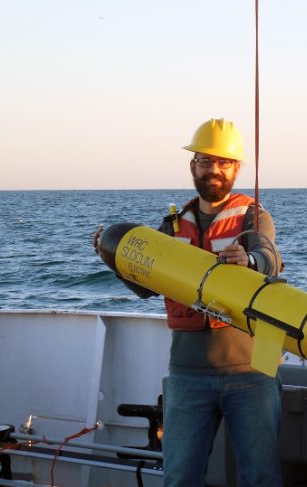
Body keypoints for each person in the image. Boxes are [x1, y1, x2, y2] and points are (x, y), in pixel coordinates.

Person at [95, 118, 283, 487]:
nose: (214, 169)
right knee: (179, 477)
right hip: (186, 375)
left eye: (223, 162)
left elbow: (270, 259)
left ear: (236, 168)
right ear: (192, 166)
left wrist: (249, 261)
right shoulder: (171, 226)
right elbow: (147, 286)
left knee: (260, 477)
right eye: (205, 160)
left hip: (252, 374)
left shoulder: (253, 216)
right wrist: (114, 261)